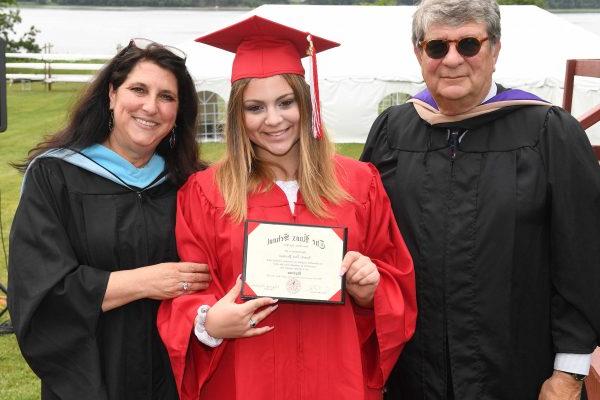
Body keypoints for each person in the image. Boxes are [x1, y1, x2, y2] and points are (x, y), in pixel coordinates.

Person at [156, 16, 417, 400]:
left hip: (338, 381)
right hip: (242, 382)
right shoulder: (206, 192)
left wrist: (370, 286)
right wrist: (209, 322)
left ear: (305, 103)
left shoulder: (360, 184)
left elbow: (396, 279)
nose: (274, 120)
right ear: (238, 117)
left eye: (285, 102)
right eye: (255, 107)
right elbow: (187, 288)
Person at [360, 0, 600, 399]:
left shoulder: (547, 131)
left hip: (520, 373)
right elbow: (360, 231)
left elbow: (584, 256)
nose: (452, 60)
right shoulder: (393, 131)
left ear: (495, 50)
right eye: (437, 47)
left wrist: (568, 373)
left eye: (469, 44)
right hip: (411, 374)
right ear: (419, 53)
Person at [8, 39, 211, 400]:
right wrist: (145, 281)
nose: (151, 106)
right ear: (112, 94)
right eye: (138, 89)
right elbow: (40, 290)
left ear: (179, 111)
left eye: (167, 96)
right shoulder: (55, 176)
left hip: (174, 375)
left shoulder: (191, 184)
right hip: (91, 376)